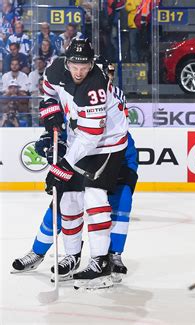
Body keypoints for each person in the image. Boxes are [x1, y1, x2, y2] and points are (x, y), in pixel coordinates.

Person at [12, 56, 138, 283]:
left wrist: (65, 159)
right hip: (84, 150)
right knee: (64, 201)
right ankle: (44, 252)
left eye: (109, 70)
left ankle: (112, 256)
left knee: (118, 202)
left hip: (113, 152)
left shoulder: (101, 92)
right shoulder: (74, 86)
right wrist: (51, 135)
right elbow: (58, 114)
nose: (107, 73)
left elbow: (98, 132)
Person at [37, 38, 129, 289]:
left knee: (94, 196)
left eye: (85, 66)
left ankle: (100, 261)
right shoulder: (55, 69)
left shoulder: (95, 85)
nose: (79, 71)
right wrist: (50, 111)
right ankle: (72, 256)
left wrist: (63, 166)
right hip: (82, 139)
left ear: (91, 65)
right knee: (68, 198)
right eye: (75, 65)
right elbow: (47, 94)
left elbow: (92, 137)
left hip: (107, 143)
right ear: (67, 63)